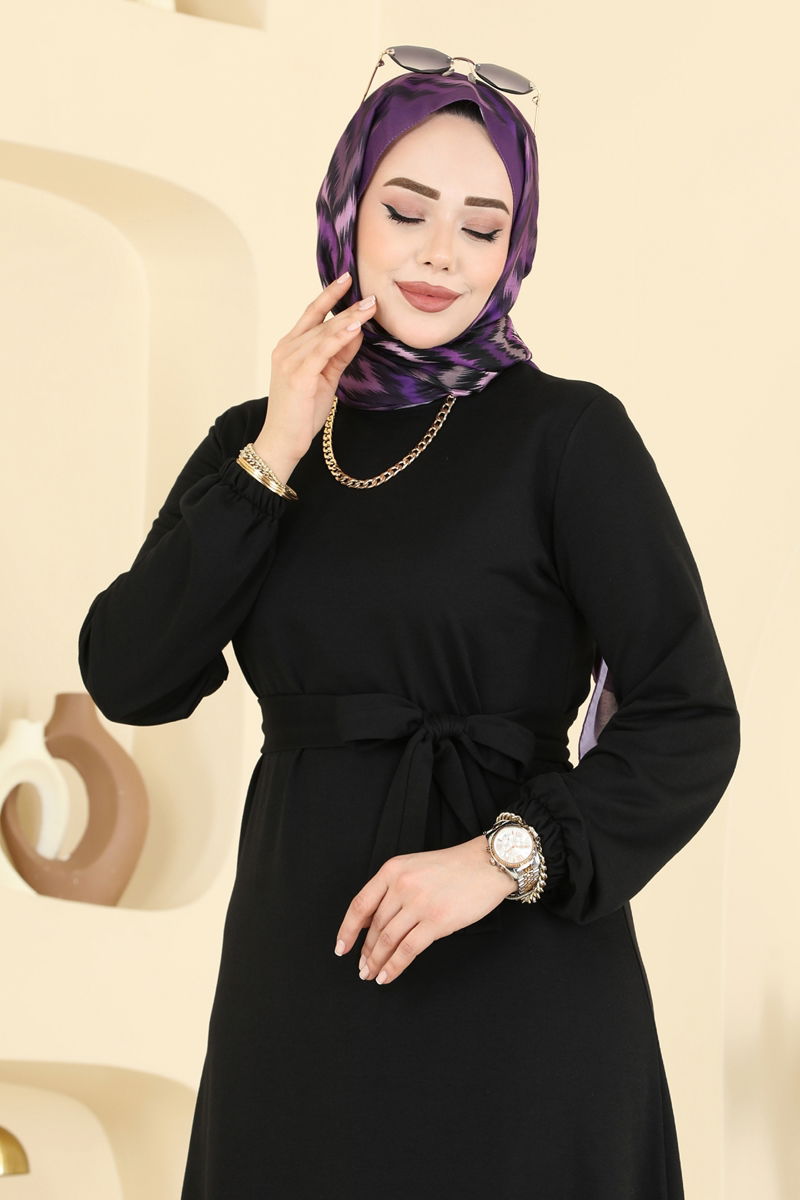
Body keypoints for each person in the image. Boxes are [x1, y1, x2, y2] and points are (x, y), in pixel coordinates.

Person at [78, 54, 741, 1200]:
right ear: (345, 212)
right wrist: (278, 448)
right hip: (302, 969)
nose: (442, 255)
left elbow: (689, 717)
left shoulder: (567, 436)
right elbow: (131, 673)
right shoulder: (258, 441)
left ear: (512, 251)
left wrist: (497, 861)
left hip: (516, 977)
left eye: (482, 228)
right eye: (405, 211)